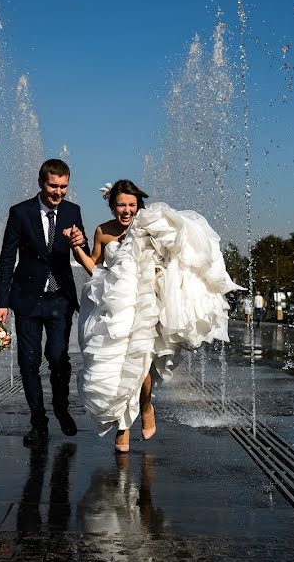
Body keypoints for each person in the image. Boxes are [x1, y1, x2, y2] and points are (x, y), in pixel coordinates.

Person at [67, 180, 242, 452]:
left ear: (139, 205)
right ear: (112, 205)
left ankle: (142, 410)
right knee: (118, 366)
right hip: (115, 308)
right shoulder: (103, 231)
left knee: (142, 363)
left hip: (148, 304)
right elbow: (96, 267)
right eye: (121, 205)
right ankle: (124, 423)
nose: (126, 210)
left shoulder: (149, 227)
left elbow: (176, 253)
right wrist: (76, 249)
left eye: (132, 205)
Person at [0, 159, 90, 447]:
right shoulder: (20, 213)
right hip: (27, 300)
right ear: (41, 183)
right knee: (29, 362)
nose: (58, 192)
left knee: (59, 357)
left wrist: (80, 240)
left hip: (60, 299)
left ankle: (60, 406)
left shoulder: (73, 211)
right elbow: (7, 259)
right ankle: (38, 421)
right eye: (53, 185)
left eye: (63, 186)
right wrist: (1, 302)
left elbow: (83, 253)